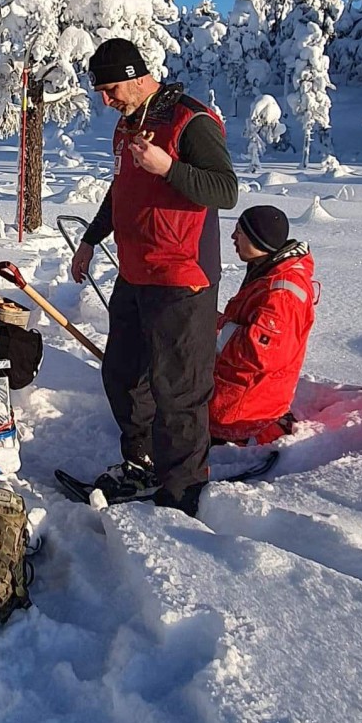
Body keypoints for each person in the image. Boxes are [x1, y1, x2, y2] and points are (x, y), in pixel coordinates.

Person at [70, 38, 238, 513]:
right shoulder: (128, 126)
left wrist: (168, 167)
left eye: (111, 89)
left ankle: (182, 489)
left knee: (178, 387)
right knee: (123, 374)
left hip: (183, 277)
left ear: (138, 76)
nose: (106, 101)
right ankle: (140, 461)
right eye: (100, 91)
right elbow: (122, 187)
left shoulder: (191, 120)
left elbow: (225, 190)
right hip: (137, 271)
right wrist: (91, 239)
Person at [211, 203, 318, 448]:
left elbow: (260, 352)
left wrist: (213, 326)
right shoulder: (266, 270)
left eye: (240, 231)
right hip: (237, 399)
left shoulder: (281, 293)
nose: (233, 236)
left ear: (259, 239)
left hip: (242, 415)